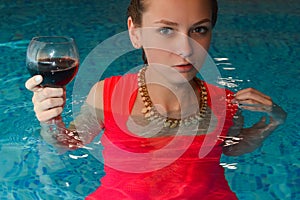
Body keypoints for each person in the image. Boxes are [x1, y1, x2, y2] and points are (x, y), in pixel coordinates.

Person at [25, 0, 287, 199]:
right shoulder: (108, 95)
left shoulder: (225, 102)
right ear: (135, 32)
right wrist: (51, 120)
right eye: (165, 30)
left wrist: (273, 120)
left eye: (199, 29)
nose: (186, 48)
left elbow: (231, 147)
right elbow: (66, 144)